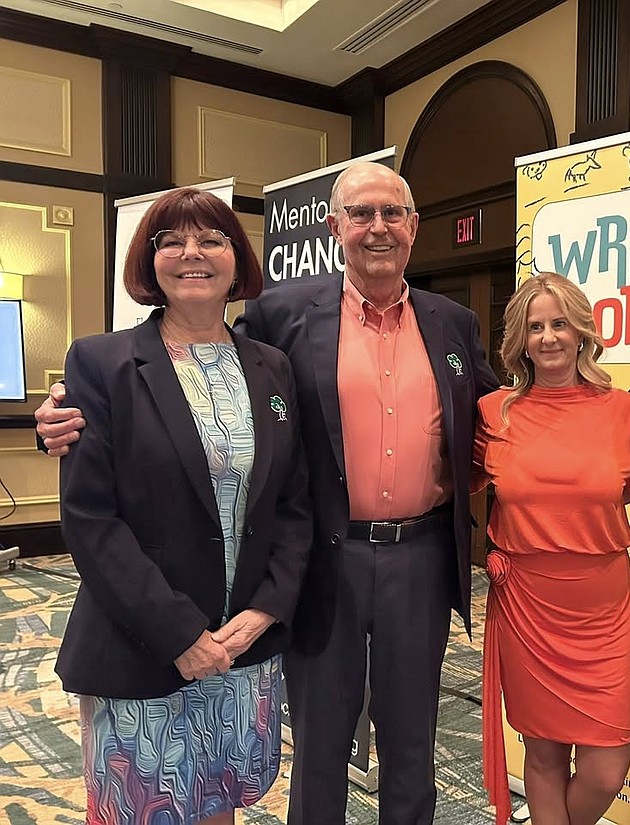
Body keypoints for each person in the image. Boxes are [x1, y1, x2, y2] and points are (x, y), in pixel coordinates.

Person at [36, 161, 500, 825]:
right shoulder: (283, 317)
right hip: (325, 560)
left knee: (412, 738)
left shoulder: (452, 321)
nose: (377, 227)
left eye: (391, 214)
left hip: (419, 554)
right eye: (361, 214)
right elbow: (171, 389)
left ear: (414, 226)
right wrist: (58, 412)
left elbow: (495, 411)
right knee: (319, 739)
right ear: (335, 227)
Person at [55, 187, 313, 825]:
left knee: (219, 803)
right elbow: (91, 520)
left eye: (212, 240)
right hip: (146, 643)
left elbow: (294, 503)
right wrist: (180, 636)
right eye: (172, 241)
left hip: (241, 645)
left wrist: (265, 610)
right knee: (148, 809)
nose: (191, 254)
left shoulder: (272, 366)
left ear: (236, 260)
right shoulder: (102, 361)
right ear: (150, 262)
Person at [475, 273, 630, 825]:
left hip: (604, 611)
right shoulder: (496, 412)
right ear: (520, 339)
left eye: (560, 323)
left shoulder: (620, 411)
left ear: (583, 331)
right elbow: (448, 484)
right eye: (535, 326)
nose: (549, 338)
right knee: (542, 753)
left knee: (607, 768)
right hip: (527, 606)